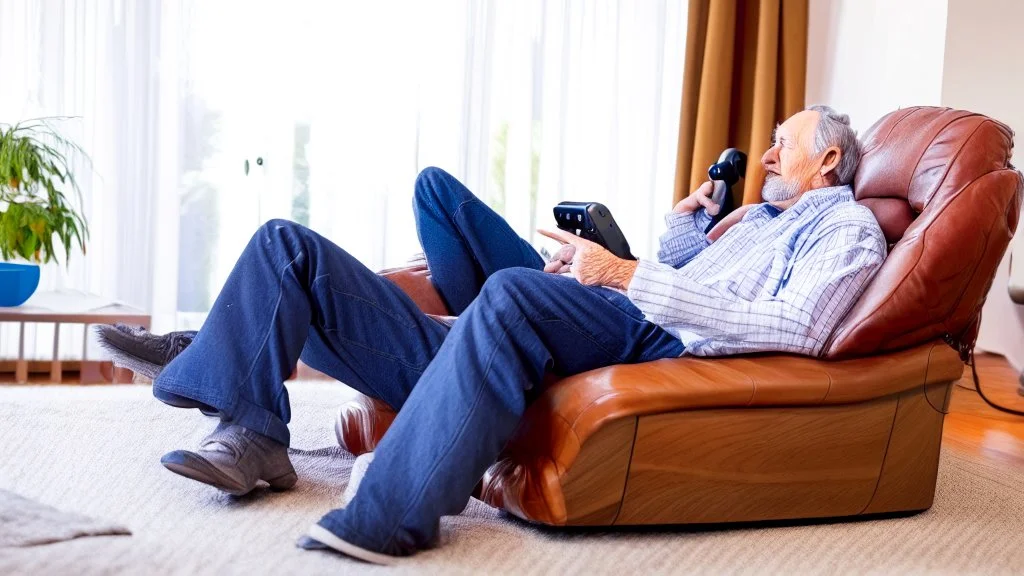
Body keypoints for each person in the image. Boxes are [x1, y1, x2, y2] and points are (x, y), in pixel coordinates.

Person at [128, 105, 886, 564]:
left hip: (655, 334)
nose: (766, 154)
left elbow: (801, 327)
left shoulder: (847, 228)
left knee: (512, 290)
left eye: (783, 142)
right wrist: (687, 219)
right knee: (282, 245)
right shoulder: (757, 219)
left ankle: (391, 514)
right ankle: (253, 430)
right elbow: (691, 264)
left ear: (828, 159)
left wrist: (621, 277)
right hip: (626, 309)